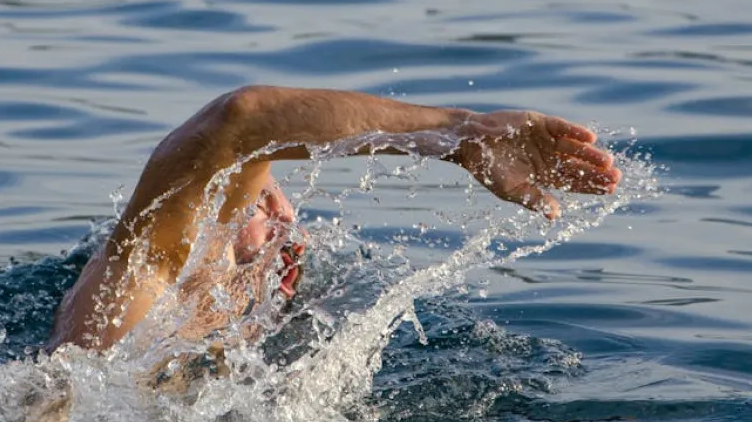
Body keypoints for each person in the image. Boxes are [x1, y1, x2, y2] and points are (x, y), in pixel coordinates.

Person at [45, 85, 621, 360]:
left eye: (276, 206)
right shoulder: (142, 280)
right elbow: (239, 121)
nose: (279, 214)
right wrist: (461, 133)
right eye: (257, 195)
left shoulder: (223, 350)